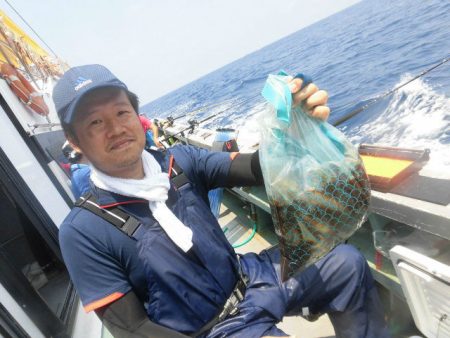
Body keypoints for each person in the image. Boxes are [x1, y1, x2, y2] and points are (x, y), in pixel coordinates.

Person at [53, 64, 390, 338]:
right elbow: (133, 329)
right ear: (74, 140)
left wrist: (295, 127)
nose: (115, 128)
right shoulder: (83, 230)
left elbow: (259, 168)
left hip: (248, 280)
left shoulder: (179, 161)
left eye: (121, 112)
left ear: (136, 115)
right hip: (210, 331)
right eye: (95, 122)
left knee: (344, 262)